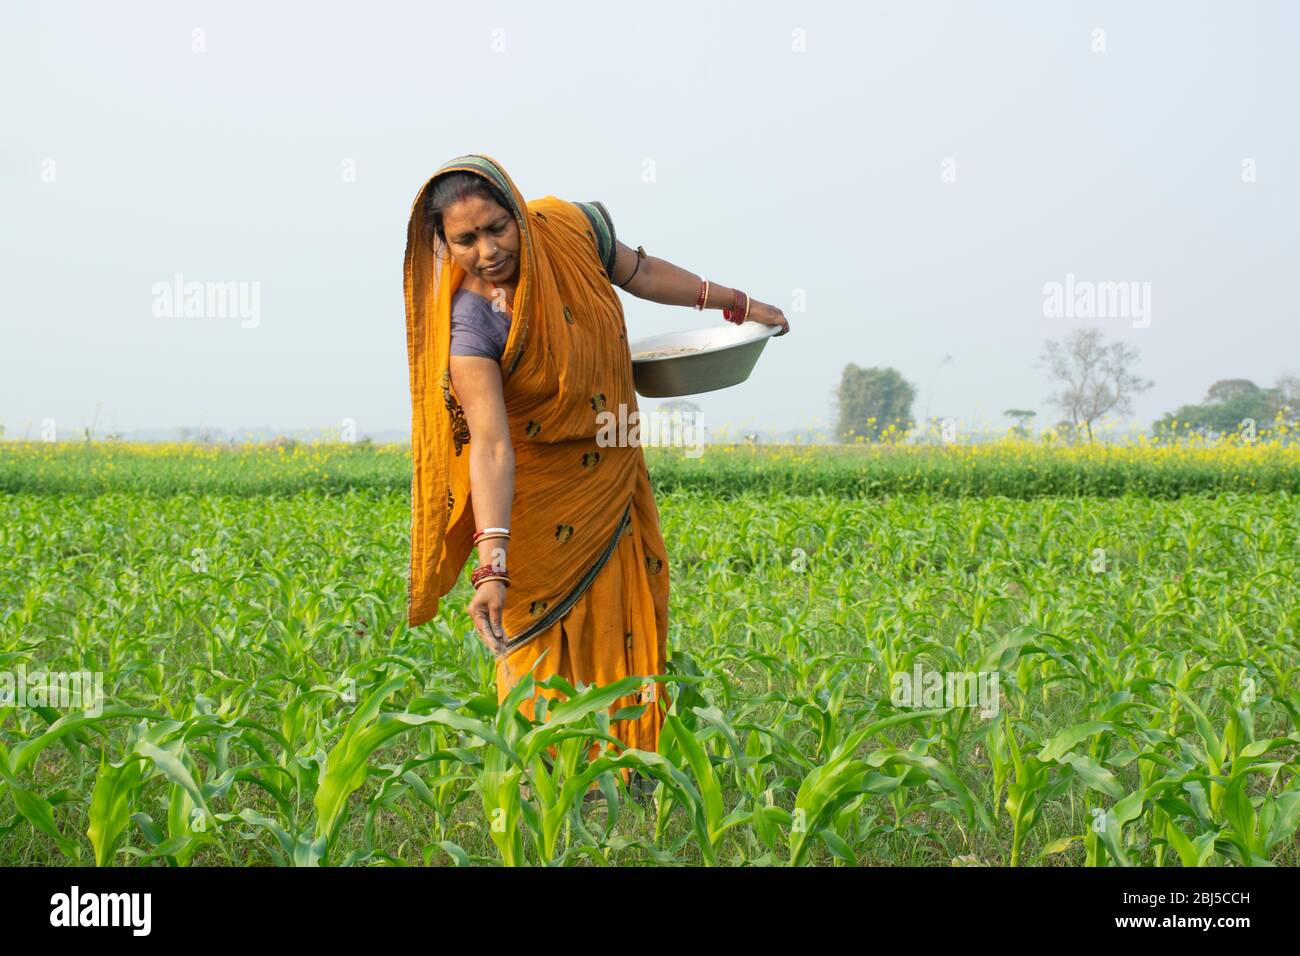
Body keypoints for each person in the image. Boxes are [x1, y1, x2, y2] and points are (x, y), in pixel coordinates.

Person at [402, 153, 789, 778]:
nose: (488, 249)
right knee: (536, 642)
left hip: (610, 471)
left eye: (497, 226)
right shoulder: (471, 323)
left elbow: (641, 273)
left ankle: (630, 772)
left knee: (621, 622)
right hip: (536, 497)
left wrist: (737, 303)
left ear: (517, 209)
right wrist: (491, 564)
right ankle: (547, 784)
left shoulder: (570, 228)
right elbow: (492, 446)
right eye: (465, 239)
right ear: (441, 246)